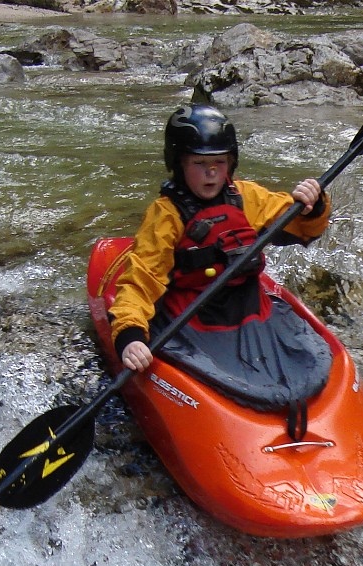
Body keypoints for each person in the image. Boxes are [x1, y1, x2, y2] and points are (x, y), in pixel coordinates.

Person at [109, 102, 331, 375]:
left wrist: (313, 207)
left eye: (219, 162)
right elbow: (140, 281)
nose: (211, 172)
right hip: (195, 320)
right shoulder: (166, 215)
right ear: (179, 164)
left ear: (231, 162)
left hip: (251, 311)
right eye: (199, 163)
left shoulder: (246, 196)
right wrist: (130, 335)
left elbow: (302, 227)